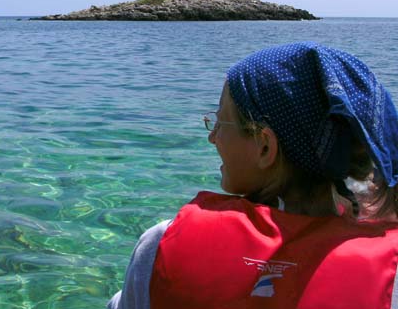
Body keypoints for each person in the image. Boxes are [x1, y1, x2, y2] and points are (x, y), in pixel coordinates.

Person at [108, 41, 398, 309]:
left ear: (264, 147)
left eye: (220, 121)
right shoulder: (391, 275)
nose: (213, 137)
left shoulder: (161, 244)